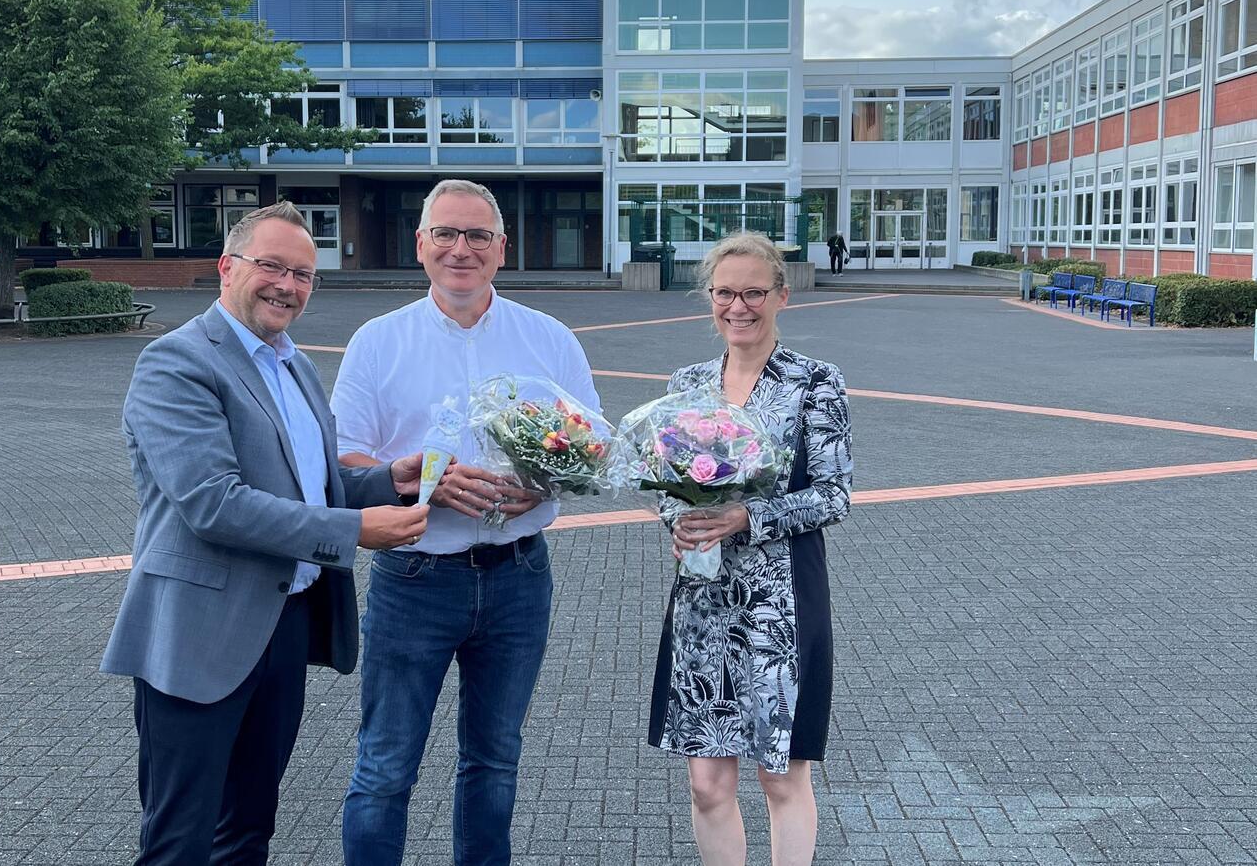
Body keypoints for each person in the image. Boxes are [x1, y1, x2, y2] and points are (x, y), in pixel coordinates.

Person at [101, 202, 429, 865]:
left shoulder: (293, 364)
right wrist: (354, 530)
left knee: (249, 828)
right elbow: (213, 503)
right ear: (227, 266)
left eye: (303, 274)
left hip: (282, 624)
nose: (287, 285)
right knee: (179, 841)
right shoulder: (176, 362)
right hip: (198, 634)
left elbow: (307, 482)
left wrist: (386, 480)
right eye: (272, 266)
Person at [332, 179, 602, 866]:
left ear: (501, 248)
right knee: (386, 765)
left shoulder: (549, 338)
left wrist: (545, 480)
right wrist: (424, 481)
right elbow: (341, 458)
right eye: (446, 233)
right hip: (415, 577)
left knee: (494, 761)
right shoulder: (377, 341)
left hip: (518, 577)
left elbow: (593, 448)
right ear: (420, 244)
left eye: (478, 235)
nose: (462, 248)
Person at [648, 231, 852, 866]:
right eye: (725, 293)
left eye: (754, 293)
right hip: (704, 600)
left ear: (782, 296)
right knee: (707, 784)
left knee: (780, 777)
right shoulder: (688, 383)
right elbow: (667, 484)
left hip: (779, 603)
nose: (738, 307)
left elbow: (834, 494)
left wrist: (745, 516)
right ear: (709, 297)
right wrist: (678, 520)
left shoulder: (814, 382)